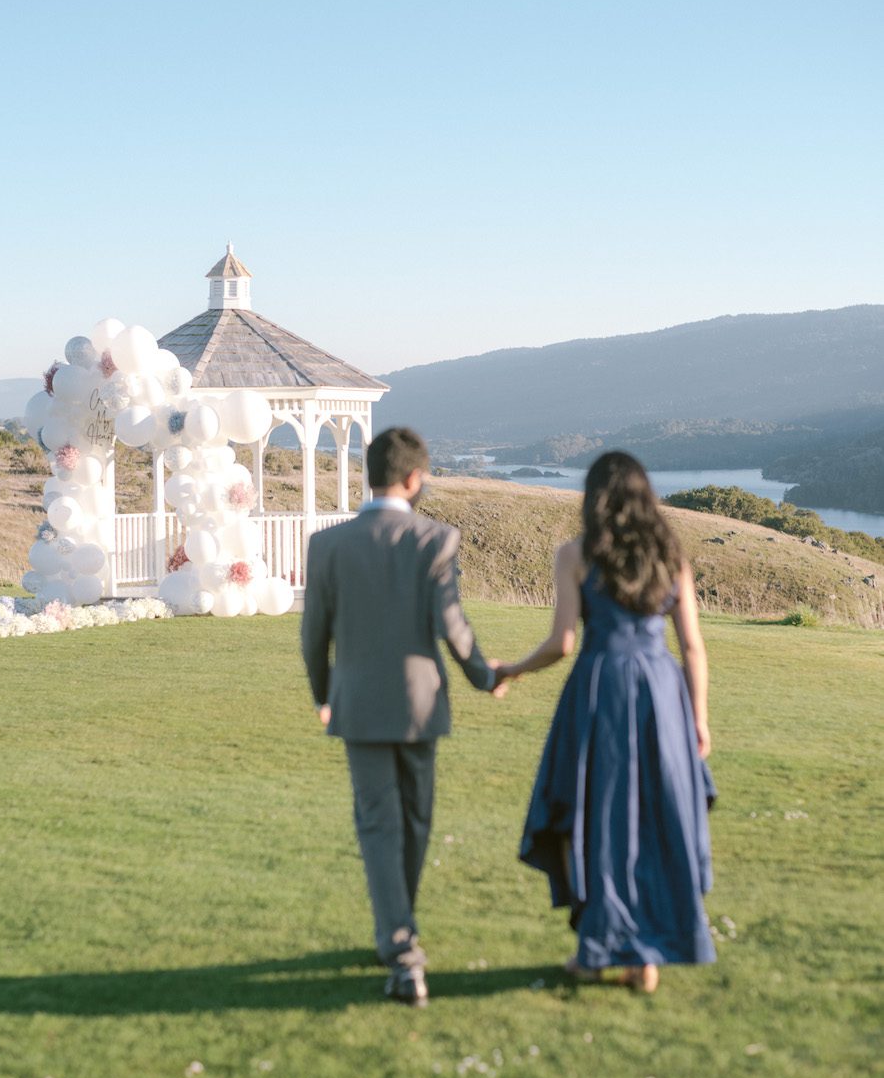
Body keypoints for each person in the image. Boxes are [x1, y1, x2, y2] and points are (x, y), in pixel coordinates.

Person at [301, 426, 504, 1007]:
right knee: (412, 823)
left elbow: (313, 635)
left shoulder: (327, 544)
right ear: (415, 479)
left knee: (383, 827)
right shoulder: (436, 539)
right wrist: (486, 677)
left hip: (358, 703)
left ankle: (398, 933)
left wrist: (325, 694)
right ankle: (401, 950)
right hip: (421, 706)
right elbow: (453, 626)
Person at [502, 450, 716, 993]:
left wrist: (516, 670)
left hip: (600, 691)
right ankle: (645, 957)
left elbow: (561, 643)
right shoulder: (671, 557)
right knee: (653, 819)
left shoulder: (575, 554)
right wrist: (698, 720)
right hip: (661, 694)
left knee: (600, 818)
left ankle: (597, 950)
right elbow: (692, 648)